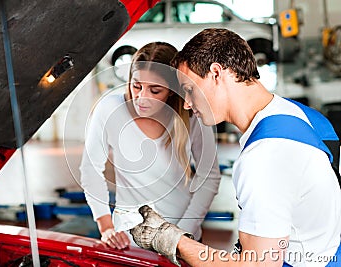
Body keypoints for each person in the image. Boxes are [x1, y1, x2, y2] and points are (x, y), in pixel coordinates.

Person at [130, 29, 341, 266]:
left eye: (189, 89)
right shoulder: (299, 114)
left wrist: (172, 239)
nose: (187, 104)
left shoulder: (264, 158)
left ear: (216, 73)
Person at [79, 41, 221, 250]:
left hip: (184, 235)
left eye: (155, 90)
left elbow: (210, 175)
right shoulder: (109, 109)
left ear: (172, 90)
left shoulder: (192, 116)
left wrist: (181, 235)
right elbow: (90, 169)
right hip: (128, 240)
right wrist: (106, 226)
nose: (142, 98)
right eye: (137, 86)